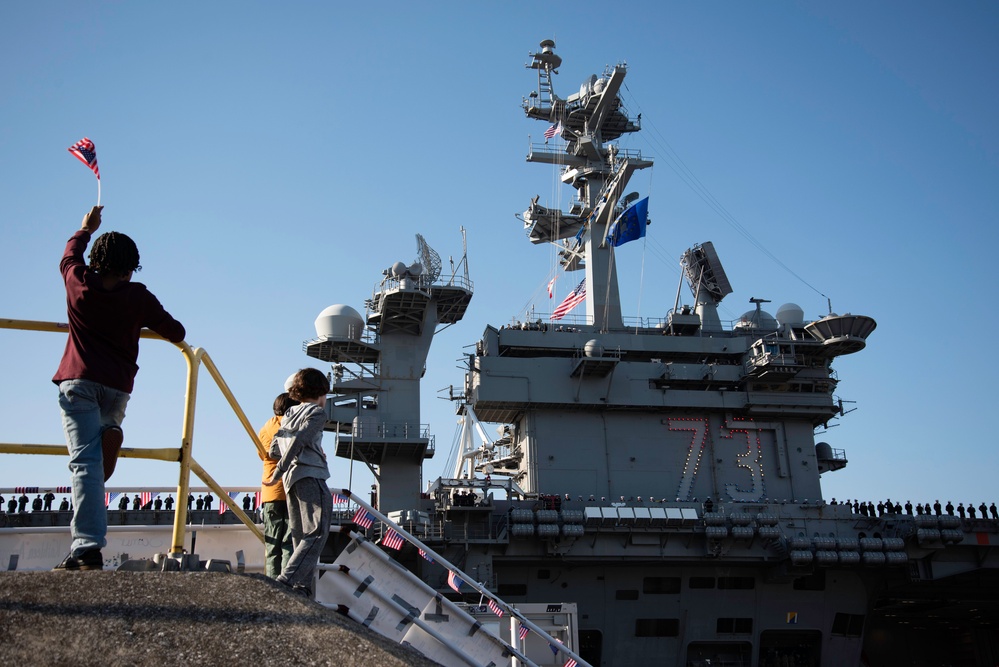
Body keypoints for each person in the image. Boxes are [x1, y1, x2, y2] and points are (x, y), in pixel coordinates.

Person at [52, 205, 185, 571]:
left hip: (79, 381)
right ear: (130, 270)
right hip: (117, 389)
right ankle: (109, 431)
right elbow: (177, 332)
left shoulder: (79, 281)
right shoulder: (138, 296)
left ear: (96, 262)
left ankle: (87, 547)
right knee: (92, 463)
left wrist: (84, 230)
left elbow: (68, 258)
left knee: (84, 464)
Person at [264, 369, 333, 598]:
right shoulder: (317, 413)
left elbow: (275, 448)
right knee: (317, 532)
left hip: (291, 481)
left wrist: (281, 469)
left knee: (300, 535)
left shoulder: (290, 413)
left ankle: (301, 589)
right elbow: (301, 440)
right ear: (321, 392)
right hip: (311, 476)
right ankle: (287, 581)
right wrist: (279, 470)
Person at [257, 392, 300, 579]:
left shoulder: (265, 428)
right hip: (292, 488)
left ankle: (272, 584)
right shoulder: (294, 424)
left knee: (272, 545)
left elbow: (263, 454)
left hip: (270, 491)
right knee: (289, 543)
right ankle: (286, 584)